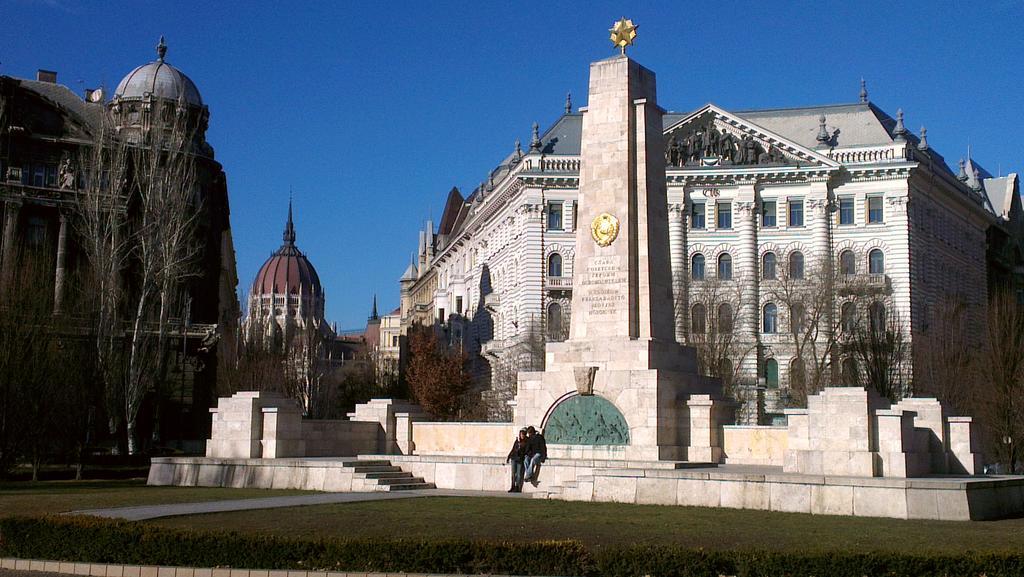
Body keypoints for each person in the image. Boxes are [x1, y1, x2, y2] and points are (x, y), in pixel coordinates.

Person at [505, 428, 528, 492]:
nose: (522, 436)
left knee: (518, 474)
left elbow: (525, 451)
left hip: (520, 459)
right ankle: (512, 486)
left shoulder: (525, 442)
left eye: (523, 435)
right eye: (521, 435)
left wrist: (520, 447)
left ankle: (517, 487)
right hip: (514, 458)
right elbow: (513, 449)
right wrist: (508, 457)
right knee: (513, 474)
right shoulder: (517, 441)